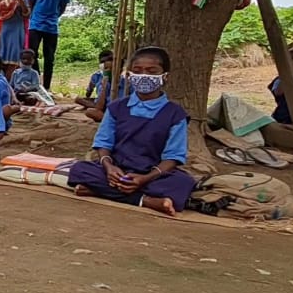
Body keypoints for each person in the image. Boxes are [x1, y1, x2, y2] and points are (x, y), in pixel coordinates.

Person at [67, 46, 196, 216]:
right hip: (116, 170)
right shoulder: (116, 108)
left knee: (183, 182)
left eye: (151, 71)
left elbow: (173, 157)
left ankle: (99, 191)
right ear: (129, 75)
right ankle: (146, 201)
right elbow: (103, 143)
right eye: (138, 70)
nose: (144, 75)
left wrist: (145, 178)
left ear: (165, 77)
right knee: (79, 170)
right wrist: (109, 167)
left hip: (152, 174)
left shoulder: (175, 114)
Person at [25, 0, 73, 90]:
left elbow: (63, 5)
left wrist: (55, 15)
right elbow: (31, 1)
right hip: (35, 23)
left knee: (49, 57)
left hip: (51, 25)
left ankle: (46, 87)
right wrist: (34, 15)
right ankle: (35, 83)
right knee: (31, 54)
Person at [77, 51, 127, 123]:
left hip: (119, 111)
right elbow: (98, 107)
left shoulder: (126, 83)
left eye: (111, 68)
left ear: (120, 69)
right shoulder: (100, 79)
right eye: (106, 68)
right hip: (104, 107)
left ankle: (112, 121)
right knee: (89, 110)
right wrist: (104, 88)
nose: (108, 71)